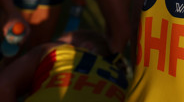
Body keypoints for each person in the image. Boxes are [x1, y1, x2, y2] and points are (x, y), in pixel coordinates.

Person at [0, 29, 129, 101]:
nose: (55, 42)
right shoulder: (126, 84)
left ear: (87, 46)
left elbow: (4, 86)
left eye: (60, 40)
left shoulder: (56, 49)